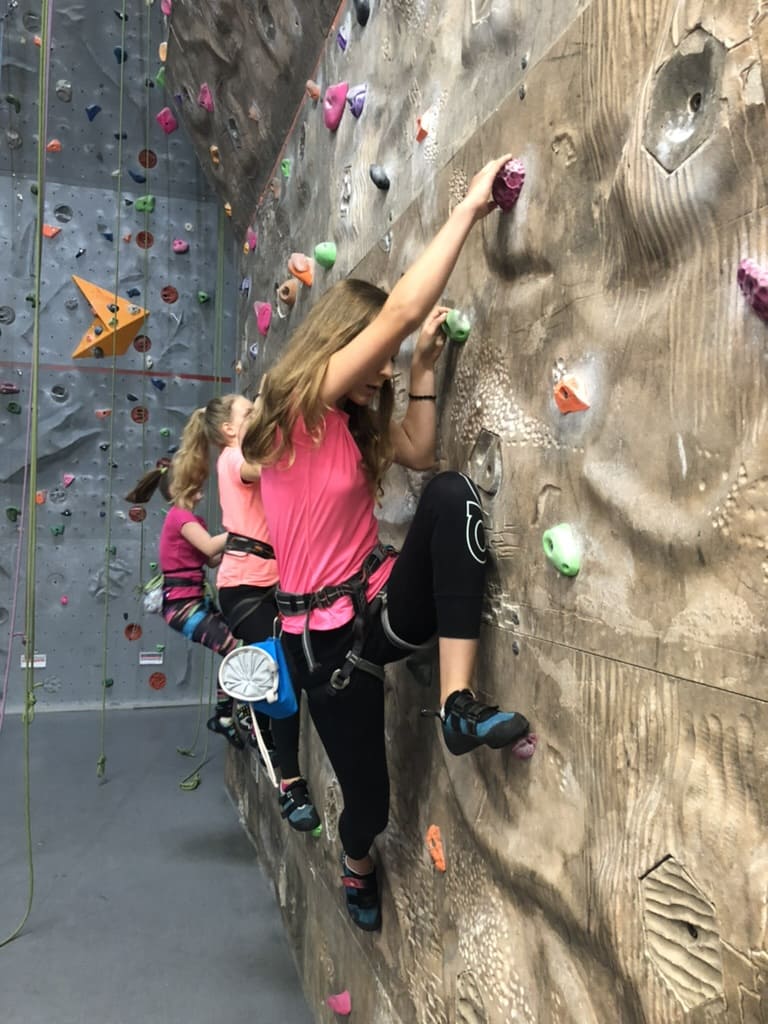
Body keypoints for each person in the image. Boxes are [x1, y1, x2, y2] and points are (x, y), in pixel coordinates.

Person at [241, 154, 537, 932]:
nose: (380, 374)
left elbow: (418, 450)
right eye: (372, 358)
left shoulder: (347, 424)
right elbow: (401, 312)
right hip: (322, 649)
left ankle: (457, 704)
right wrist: (470, 208)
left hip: (374, 609)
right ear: (346, 342)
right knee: (369, 806)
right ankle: (357, 858)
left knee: (449, 495)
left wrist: (426, 367)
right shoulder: (292, 412)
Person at [168, 395, 320, 832]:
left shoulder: (238, 454)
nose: (254, 414)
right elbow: (262, 466)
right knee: (280, 679)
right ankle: (291, 784)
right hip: (246, 587)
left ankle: (254, 724)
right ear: (230, 432)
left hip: (269, 582)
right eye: (247, 412)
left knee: (290, 672)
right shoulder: (234, 458)